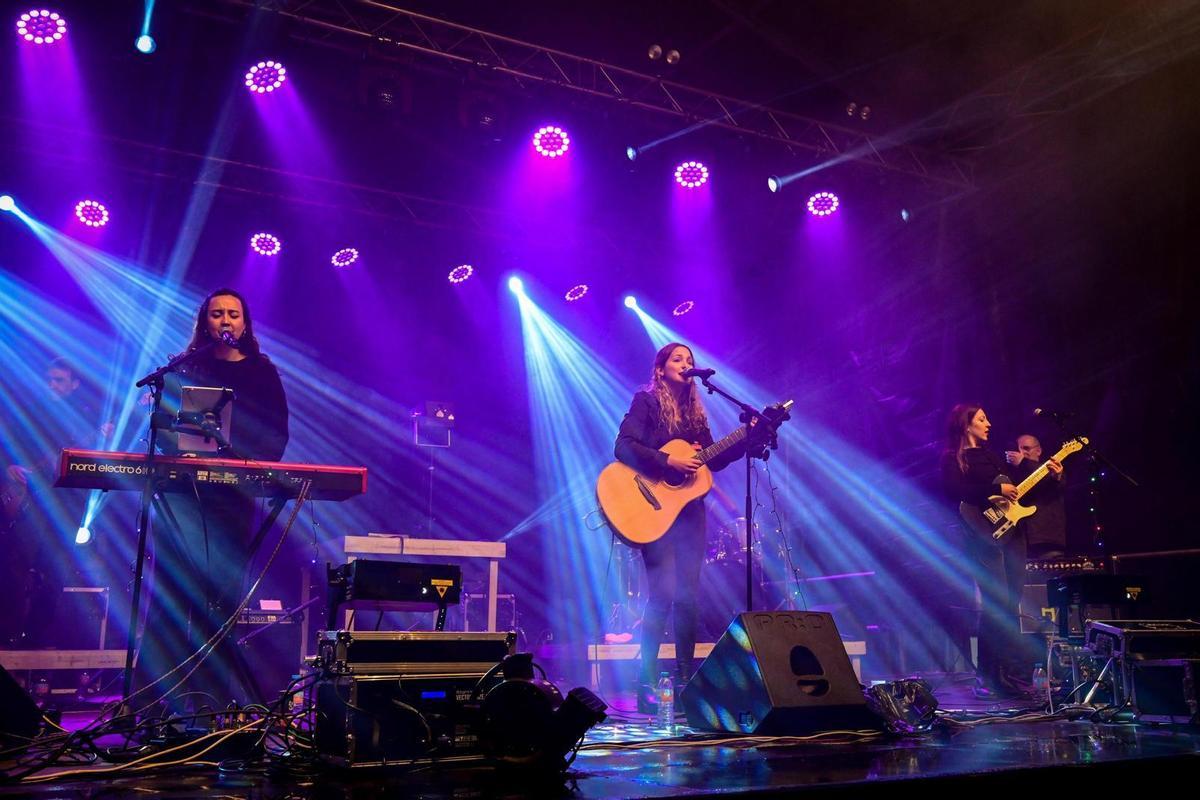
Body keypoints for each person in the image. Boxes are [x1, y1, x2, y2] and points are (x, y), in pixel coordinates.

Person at [143, 288, 289, 706]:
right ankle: (156, 704)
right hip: (182, 493)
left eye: (233, 314)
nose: (226, 321)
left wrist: (241, 463)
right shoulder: (186, 366)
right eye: (217, 314)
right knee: (171, 594)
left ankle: (213, 706)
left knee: (223, 597)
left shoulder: (262, 372)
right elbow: (162, 422)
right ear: (204, 322)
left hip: (233, 494)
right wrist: (180, 449)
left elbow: (277, 432)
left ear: (245, 324)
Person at [614, 342, 753, 713]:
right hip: (653, 507)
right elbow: (623, 446)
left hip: (690, 511)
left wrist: (746, 437)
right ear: (659, 368)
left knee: (688, 598)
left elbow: (712, 461)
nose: (686, 364)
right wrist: (667, 459)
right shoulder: (646, 400)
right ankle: (645, 683)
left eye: (690, 360)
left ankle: (685, 681)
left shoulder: (695, 413)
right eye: (678, 359)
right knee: (660, 596)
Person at [939, 404, 1062, 698]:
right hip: (982, 535)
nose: (989, 423)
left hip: (1013, 534)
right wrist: (991, 493)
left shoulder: (993, 457)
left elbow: (1021, 490)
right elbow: (953, 492)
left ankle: (1009, 674)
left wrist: (1049, 472)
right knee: (997, 606)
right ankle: (990, 677)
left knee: (1010, 604)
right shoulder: (952, 458)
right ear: (966, 425)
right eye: (982, 419)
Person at [1006, 434, 1067, 559]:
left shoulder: (1052, 471)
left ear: (1038, 451)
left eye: (1026, 448)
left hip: (1045, 540)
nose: (1022, 453)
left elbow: (1057, 482)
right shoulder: (1013, 474)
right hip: (1019, 541)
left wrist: (1023, 462)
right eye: (1020, 449)